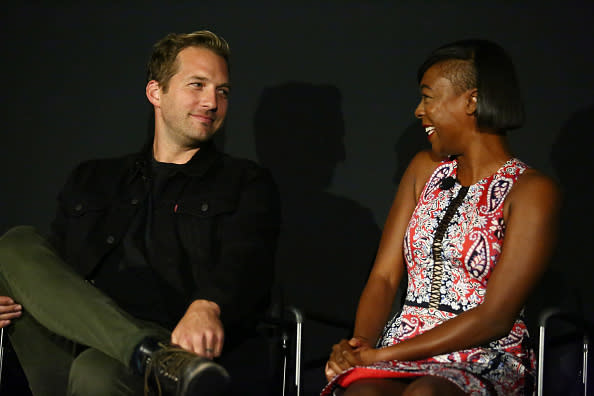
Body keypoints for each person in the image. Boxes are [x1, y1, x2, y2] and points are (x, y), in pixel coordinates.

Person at [0, 30, 280, 396]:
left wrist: (208, 306)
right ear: (155, 93)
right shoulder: (93, 178)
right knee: (15, 243)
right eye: (198, 85)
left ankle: (149, 355)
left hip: (178, 350)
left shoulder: (244, 182)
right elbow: (54, 271)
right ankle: (146, 354)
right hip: (73, 342)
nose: (212, 101)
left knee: (96, 372)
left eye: (222, 91)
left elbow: (247, 262)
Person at [322, 39, 560, 396]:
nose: (419, 110)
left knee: (427, 394)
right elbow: (385, 277)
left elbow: (495, 317)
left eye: (428, 97)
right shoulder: (424, 169)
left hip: (485, 353)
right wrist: (358, 347)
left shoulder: (532, 191)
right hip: (402, 345)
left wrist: (381, 354)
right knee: (362, 393)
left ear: (472, 100)